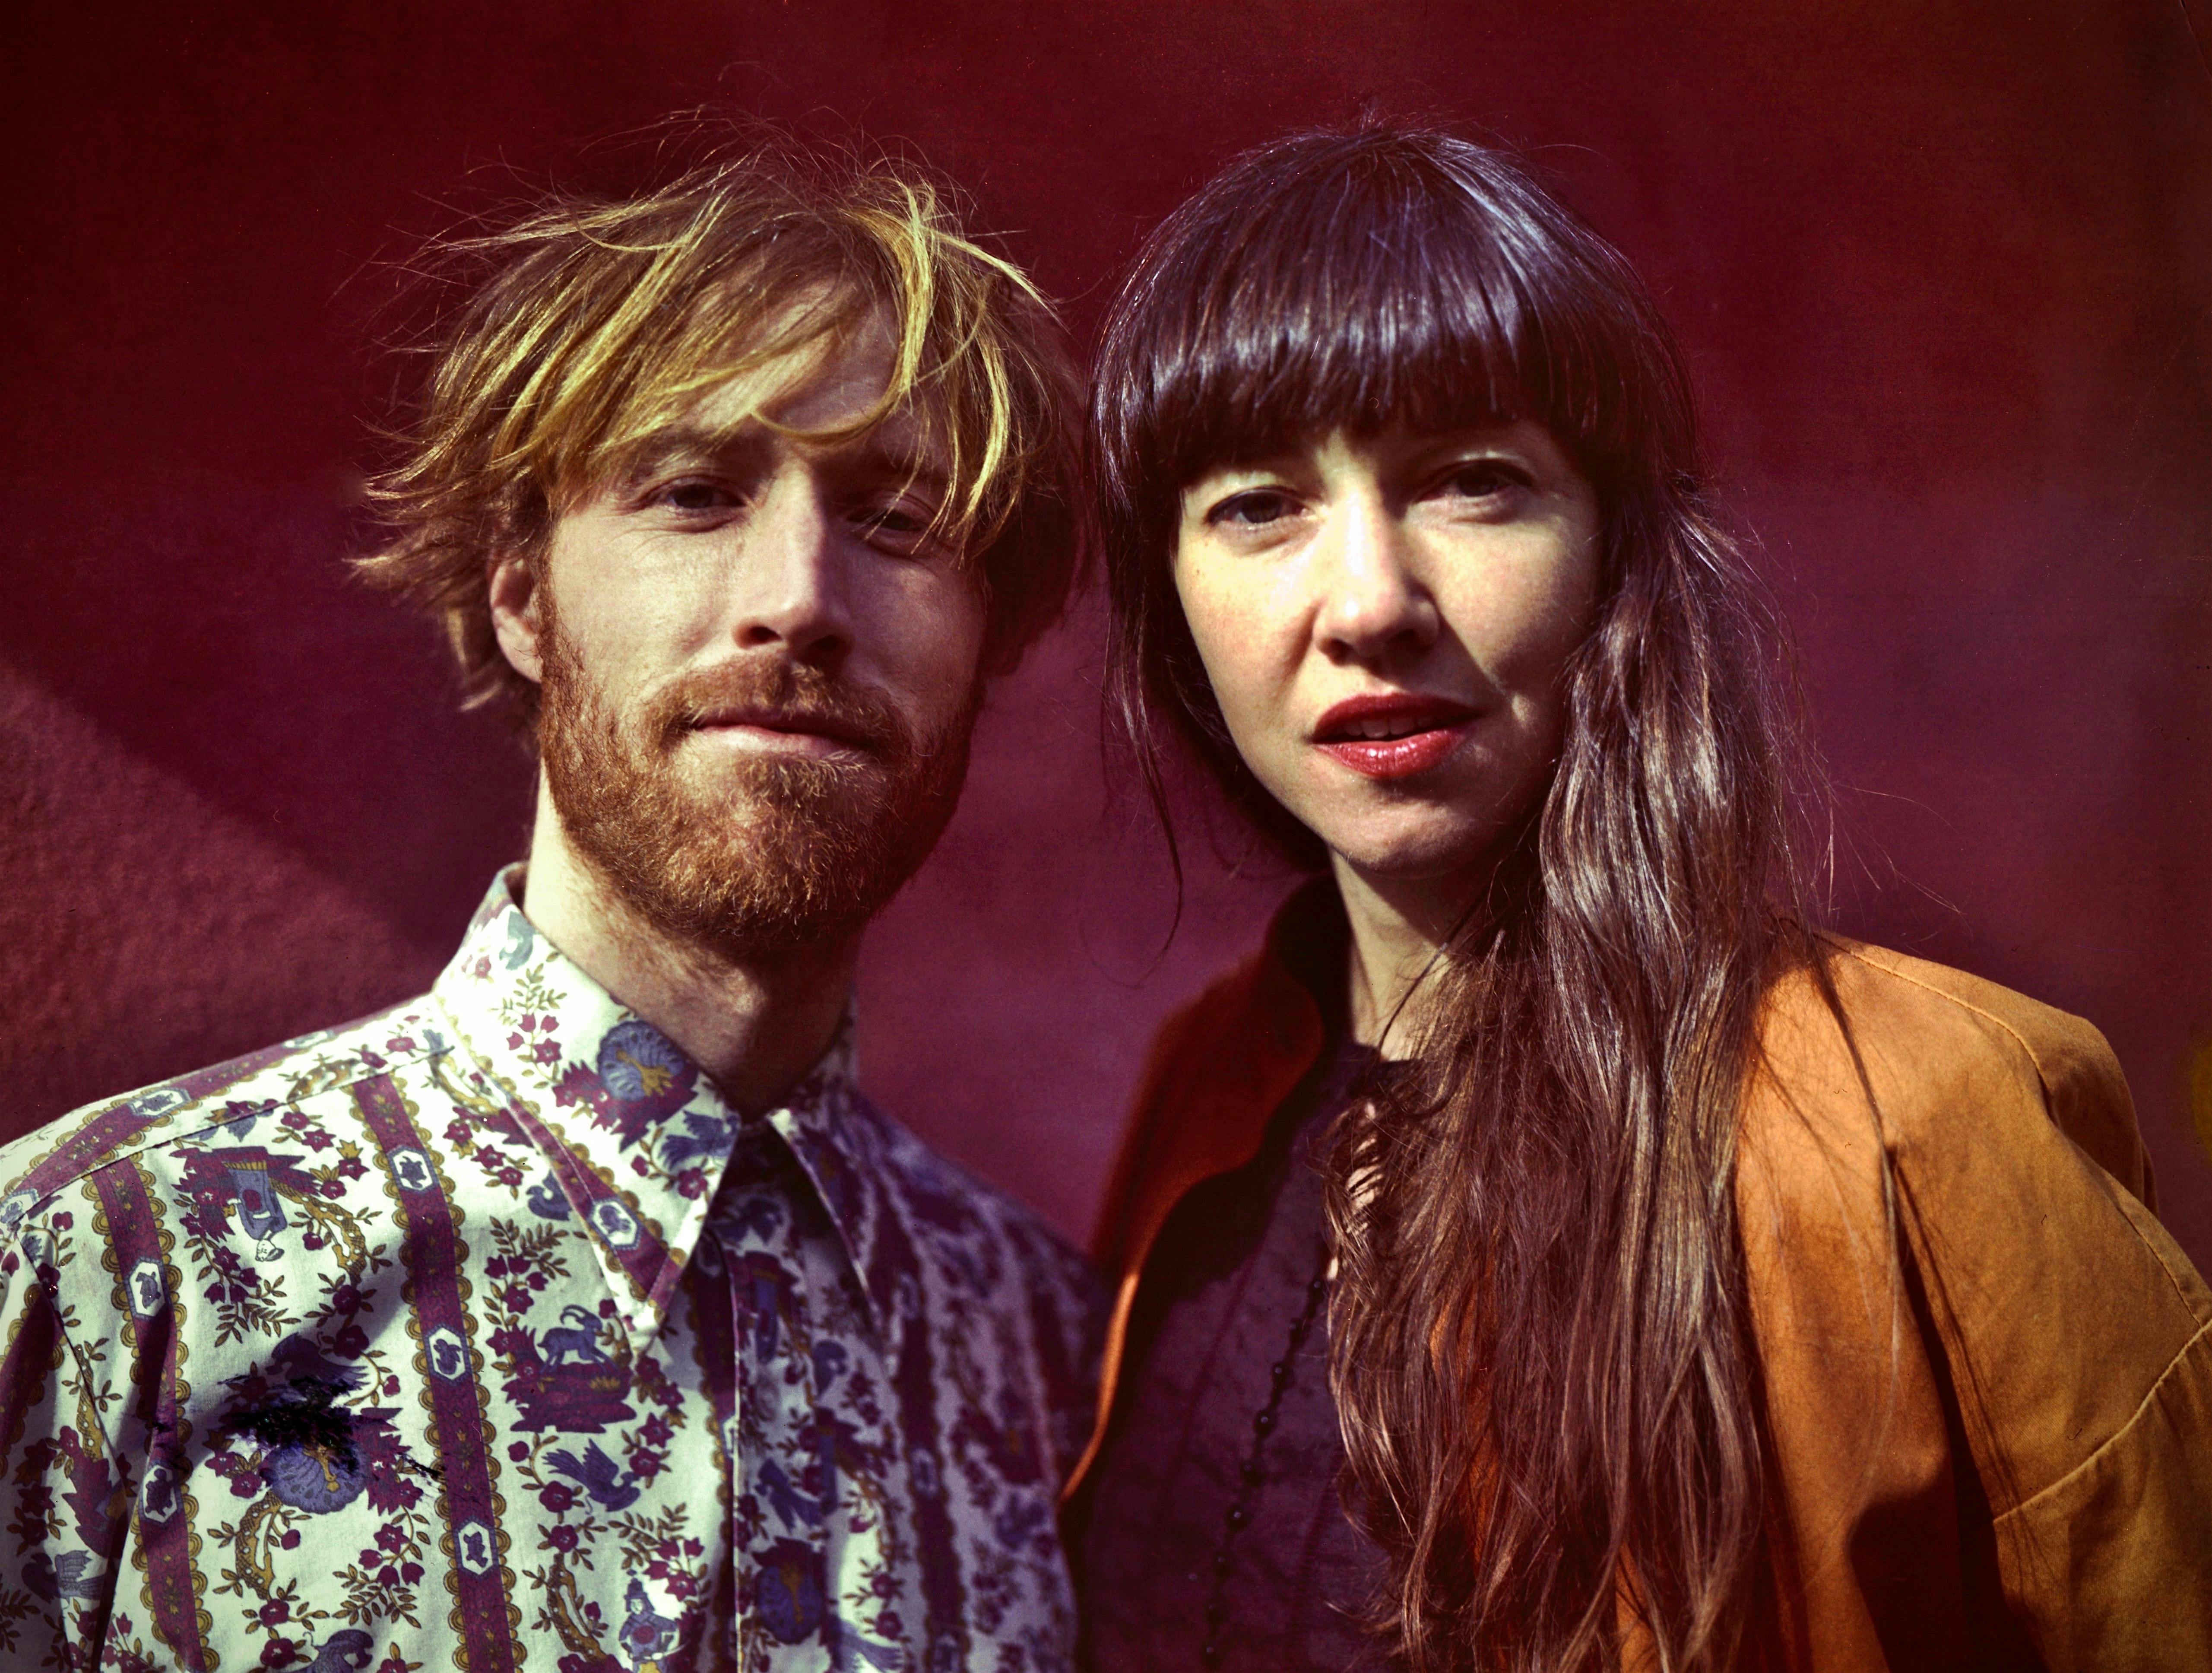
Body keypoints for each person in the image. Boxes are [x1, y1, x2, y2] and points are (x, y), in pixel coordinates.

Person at [1066, 126, 2212, 1672]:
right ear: (1170, 597)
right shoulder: (1208, 1087)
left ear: (1614, 549)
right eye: (1259, 504)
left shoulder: (1932, 1123)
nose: (1368, 604)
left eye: (1471, 484)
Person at [0, 143, 1103, 1672]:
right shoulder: (107, 1262)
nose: (798, 596)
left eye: (898, 517)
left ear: (985, 642)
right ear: (523, 594)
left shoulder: (1050, 1358)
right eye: (695, 493)